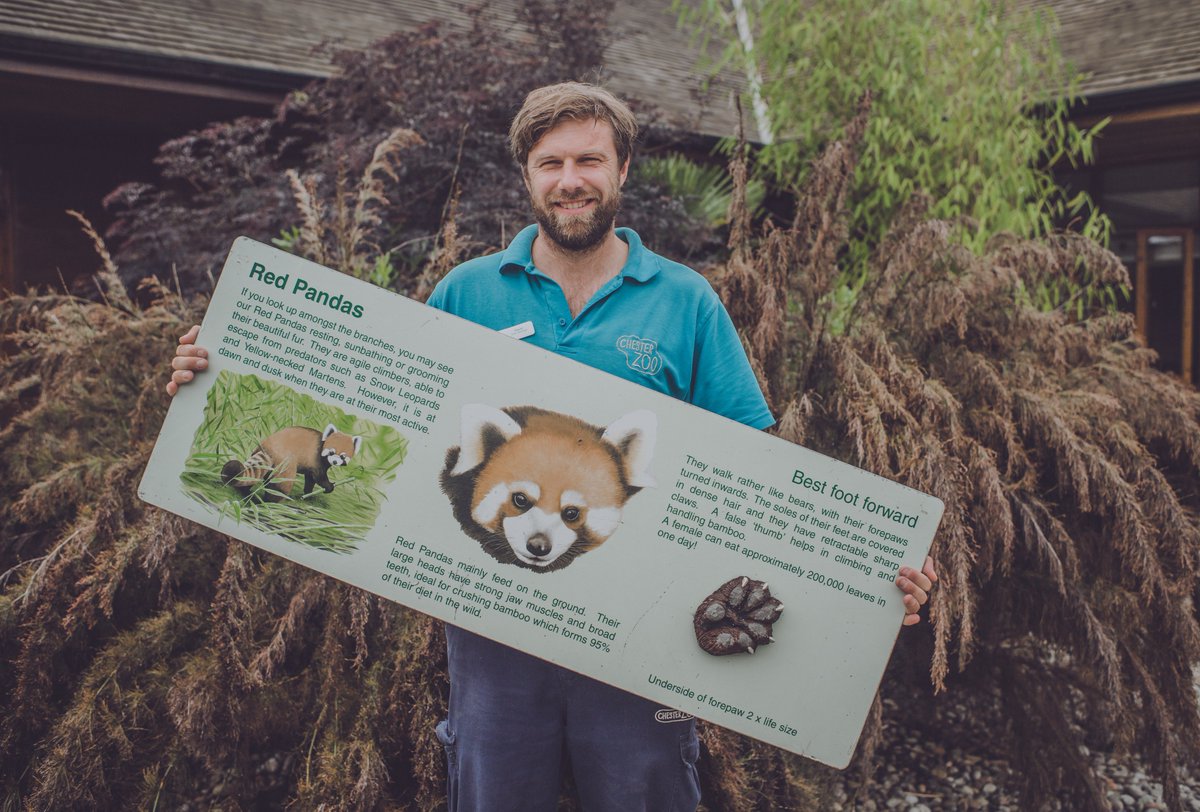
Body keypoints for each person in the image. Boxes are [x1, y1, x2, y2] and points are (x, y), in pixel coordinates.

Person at [167, 81, 938, 812]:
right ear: (528, 177)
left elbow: (762, 481)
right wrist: (220, 380)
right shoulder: (467, 293)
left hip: (644, 638)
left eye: (589, 160)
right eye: (552, 164)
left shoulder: (684, 301)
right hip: (491, 631)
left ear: (621, 169)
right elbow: (372, 429)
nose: (571, 180)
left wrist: (867, 578)